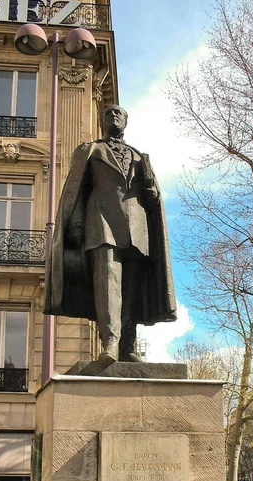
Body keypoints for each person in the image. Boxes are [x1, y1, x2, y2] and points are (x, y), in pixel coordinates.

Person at [44, 105, 176, 363]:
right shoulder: (89, 150)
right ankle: (110, 343)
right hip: (100, 223)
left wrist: (152, 189)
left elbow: (153, 199)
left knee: (131, 289)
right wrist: (77, 222)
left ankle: (127, 345)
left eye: (119, 114)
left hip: (137, 229)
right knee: (107, 283)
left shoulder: (140, 157)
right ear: (102, 121)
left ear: (126, 122)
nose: (114, 116)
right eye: (109, 113)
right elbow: (76, 191)